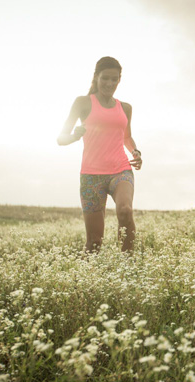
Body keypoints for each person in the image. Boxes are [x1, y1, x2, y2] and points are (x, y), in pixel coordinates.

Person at [57, 56, 142, 253]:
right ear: (96, 77)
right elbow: (61, 138)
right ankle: (87, 280)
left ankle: (128, 267)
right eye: (105, 78)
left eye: (114, 79)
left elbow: (127, 137)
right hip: (91, 176)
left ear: (119, 80)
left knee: (125, 211)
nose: (109, 83)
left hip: (120, 170)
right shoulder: (82, 103)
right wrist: (74, 137)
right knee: (94, 242)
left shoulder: (125, 108)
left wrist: (135, 152)